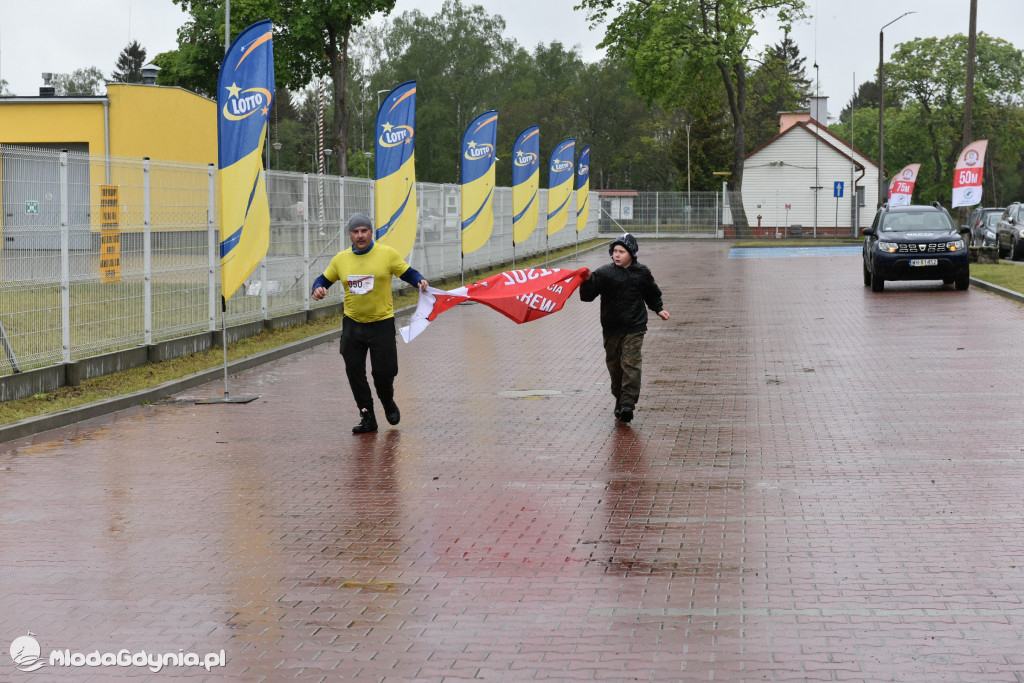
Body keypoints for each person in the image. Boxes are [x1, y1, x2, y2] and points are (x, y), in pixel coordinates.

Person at [312, 213, 430, 433]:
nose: (360, 236)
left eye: (364, 231)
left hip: (381, 324)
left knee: (384, 373)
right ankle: (367, 416)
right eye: (355, 232)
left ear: (371, 232)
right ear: (350, 235)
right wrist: (317, 288)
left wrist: (419, 281)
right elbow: (322, 280)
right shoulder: (341, 259)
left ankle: (387, 401)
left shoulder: (386, 254)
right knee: (354, 372)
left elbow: (408, 273)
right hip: (353, 325)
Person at [579, 233, 669, 424]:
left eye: (622, 251)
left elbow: (651, 293)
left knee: (631, 364)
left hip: (635, 327)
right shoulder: (604, 273)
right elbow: (587, 297)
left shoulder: (642, 272)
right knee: (615, 368)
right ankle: (620, 398)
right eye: (615, 251)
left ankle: (628, 404)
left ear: (632, 254)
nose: (617, 255)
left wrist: (658, 309)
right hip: (611, 329)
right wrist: (586, 280)